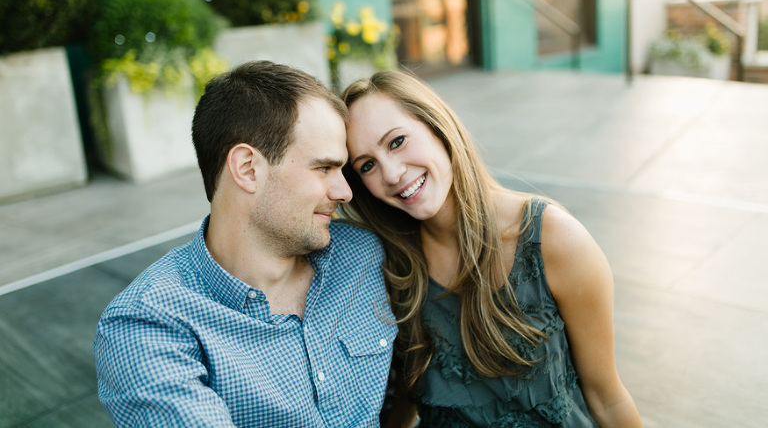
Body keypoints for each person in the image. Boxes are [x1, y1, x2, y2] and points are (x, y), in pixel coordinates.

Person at [94, 61, 397, 427]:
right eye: (323, 168)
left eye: (344, 170)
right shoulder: (147, 325)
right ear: (247, 169)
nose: (345, 192)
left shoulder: (364, 256)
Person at [340, 70, 643, 427]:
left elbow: (606, 399)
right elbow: (406, 401)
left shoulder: (554, 239)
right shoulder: (391, 264)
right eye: (368, 165)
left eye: (397, 141)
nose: (391, 173)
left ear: (438, 128)